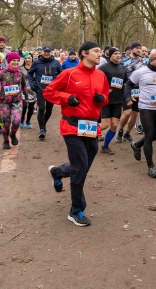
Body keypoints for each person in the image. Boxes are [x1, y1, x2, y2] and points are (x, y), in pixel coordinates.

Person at [44, 41, 108, 227]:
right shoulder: (69, 74)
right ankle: (76, 210)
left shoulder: (101, 75)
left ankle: (58, 172)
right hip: (71, 126)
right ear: (84, 53)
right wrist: (66, 98)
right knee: (80, 166)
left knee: (84, 163)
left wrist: (102, 99)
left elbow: (105, 97)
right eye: (96, 51)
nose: (99, 54)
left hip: (90, 126)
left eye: (99, 51)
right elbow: (49, 91)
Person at [125, 50, 156, 178]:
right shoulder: (141, 71)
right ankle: (151, 166)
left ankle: (136, 145)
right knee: (149, 134)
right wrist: (128, 98)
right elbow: (128, 85)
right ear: (151, 60)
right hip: (145, 107)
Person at [0, 53, 27, 149]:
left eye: (17, 61)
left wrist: (26, 94)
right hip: (4, 101)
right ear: (9, 62)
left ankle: (13, 134)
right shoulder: (2, 73)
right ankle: (5, 141)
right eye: (13, 61)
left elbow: (24, 86)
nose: (16, 62)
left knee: (16, 121)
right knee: (6, 122)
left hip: (17, 101)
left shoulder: (21, 73)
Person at [27, 45, 62, 139]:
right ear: (42, 52)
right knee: (42, 108)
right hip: (40, 89)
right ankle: (42, 129)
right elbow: (29, 73)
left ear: (51, 52)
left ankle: (43, 124)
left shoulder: (56, 62)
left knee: (49, 109)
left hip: (52, 90)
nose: (46, 53)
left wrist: (57, 80)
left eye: (48, 52)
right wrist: (31, 84)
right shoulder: (36, 62)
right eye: (45, 51)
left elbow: (62, 74)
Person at [98, 47, 127, 154]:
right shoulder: (103, 68)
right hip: (106, 100)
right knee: (105, 125)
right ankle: (85, 135)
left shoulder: (123, 69)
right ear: (110, 55)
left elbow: (125, 83)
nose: (118, 55)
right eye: (115, 53)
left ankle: (105, 146)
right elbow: (96, 81)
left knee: (114, 125)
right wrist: (103, 90)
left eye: (119, 53)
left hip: (118, 100)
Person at [116, 41, 144, 143]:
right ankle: (120, 129)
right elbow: (118, 73)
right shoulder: (123, 61)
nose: (139, 50)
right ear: (131, 49)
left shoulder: (143, 61)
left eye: (140, 48)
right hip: (126, 88)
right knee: (127, 112)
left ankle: (127, 133)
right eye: (137, 48)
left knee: (134, 113)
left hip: (138, 90)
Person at [19, 53, 37, 128]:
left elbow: (38, 78)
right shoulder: (20, 68)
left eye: (29, 58)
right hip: (23, 89)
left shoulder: (35, 67)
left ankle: (28, 121)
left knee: (31, 107)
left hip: (32, 90)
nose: (27, 60)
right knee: (25, 106)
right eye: (25, 58)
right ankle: (22, 120)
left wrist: (34, 85)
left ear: (32, 59)